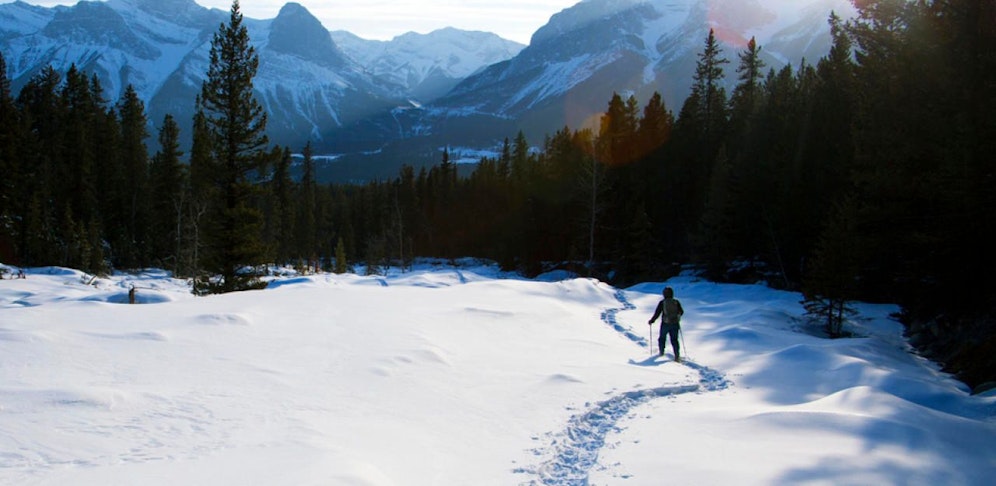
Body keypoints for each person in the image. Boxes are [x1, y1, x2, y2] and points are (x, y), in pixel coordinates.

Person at [648, 286, 684, 362]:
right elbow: (681, 312)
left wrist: (652, 321)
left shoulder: (662, 302)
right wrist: (677, 317)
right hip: (675, 324)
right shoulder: (676, 302)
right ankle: (677, 356)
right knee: (674, 340)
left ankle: (661, 352)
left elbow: (657, 313)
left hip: (665, 323)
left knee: (662, 338)